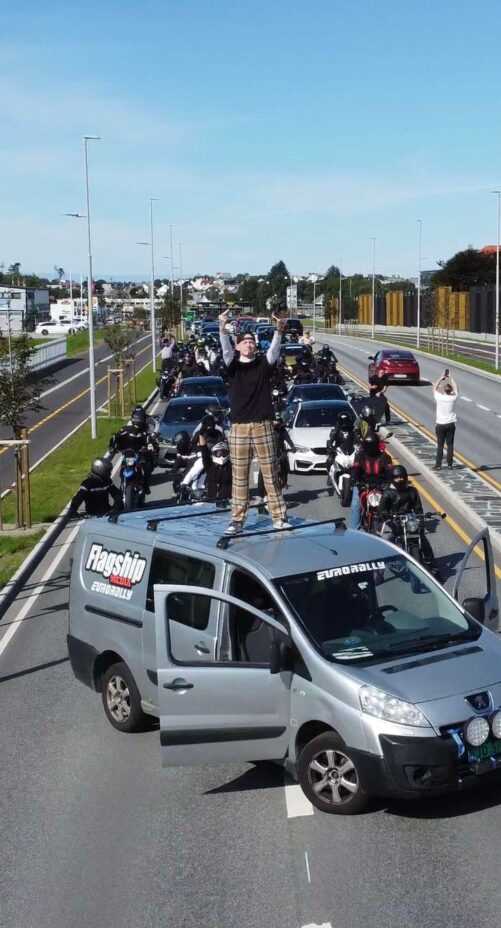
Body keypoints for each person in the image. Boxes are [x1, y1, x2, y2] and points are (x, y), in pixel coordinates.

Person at [219, 308, 290, 534]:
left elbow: (274, 351)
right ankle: (237, 520)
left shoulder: (263, 364)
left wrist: (279, 330)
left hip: (263, 424)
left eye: (251, 341)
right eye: (245, 341)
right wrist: (222, 327)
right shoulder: (233, 365)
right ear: (238, 345)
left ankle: (279, 517)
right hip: (239, 427)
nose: (249, 344)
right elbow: (225, 350)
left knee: (271, 472)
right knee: (240, 476)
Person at [378, 464, 434, 567]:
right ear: (393, 479)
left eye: (402, 477)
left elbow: (418, 508)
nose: (400, 480)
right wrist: (387, 516)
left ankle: (430, 562)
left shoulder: (412, 491)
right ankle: (378, 572)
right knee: (385, 540)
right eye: (397, 478)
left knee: (422, 537)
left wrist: (420, 519)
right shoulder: (388, 493)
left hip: (409, 520)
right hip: (393, 520)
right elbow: (381, 510)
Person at [350, 433, 392, 530]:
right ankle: (353, 531)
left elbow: (390, 471)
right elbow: (355, 469)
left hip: (380, 486)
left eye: (372, 445)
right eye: (368, 445)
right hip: (363, 485)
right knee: (355, 505)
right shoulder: (360, 456)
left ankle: (390, 528)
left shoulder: (385, 457)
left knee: (390, 504)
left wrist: (390, 481)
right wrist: (354, 480)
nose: (370, 448)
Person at [109, 410, 154, 494]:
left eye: (140, 420)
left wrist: (149, 447)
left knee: (146, 468)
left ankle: (145, 486)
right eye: (138, 420)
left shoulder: (144, 433)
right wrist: (112, 447)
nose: (138, 422)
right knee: (122, 469)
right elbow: (116, 437)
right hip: (127, 455)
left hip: (139, 455)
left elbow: (149, 441)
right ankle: (122, 485)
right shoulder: (125, 430)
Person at [257, 411, 295, 499]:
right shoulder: (265, 430)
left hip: (280, 452)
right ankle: (261, 494)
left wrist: (293, 447)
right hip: (268, 453)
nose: (276, 422)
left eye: (278, 421)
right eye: (274, 421)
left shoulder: (282, 430)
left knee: (285, 465)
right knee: (262, 472)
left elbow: (288, 439)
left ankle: (284, 482)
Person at [433, 369, 458, 469]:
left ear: (444, 390)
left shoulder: (439, 397)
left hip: (440, 424)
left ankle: (438, 465)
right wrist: (451, 377)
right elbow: (456, 388)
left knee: (440, 445)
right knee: (450, 444)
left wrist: (441, 377)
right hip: (451, 424)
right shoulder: (453, 398)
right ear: (451, 391)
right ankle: (450, 464)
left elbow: (434, 387)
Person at [199, 434, 232, 503]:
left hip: (227, 501)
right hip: (211, 502)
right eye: (218, 453)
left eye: (223, 453)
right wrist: (201, 434)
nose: (221, 455)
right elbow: (204, 452)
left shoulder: (231, 466)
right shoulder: (210, 466)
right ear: (214, 454)